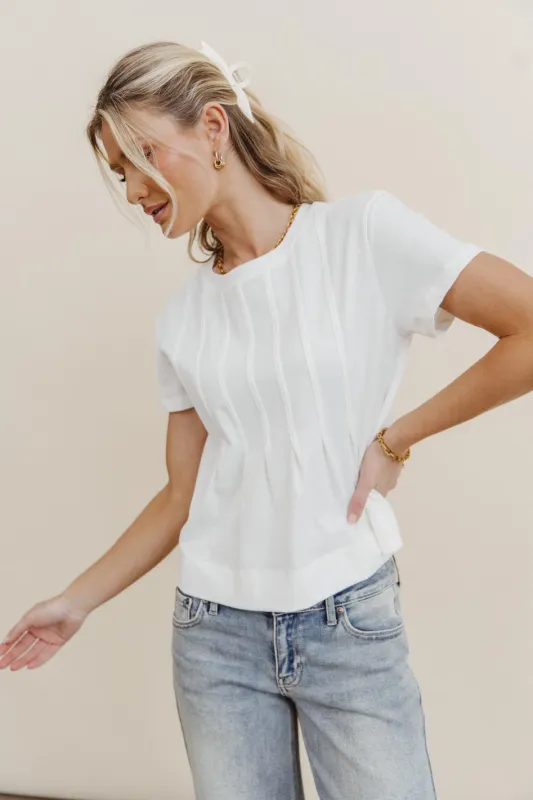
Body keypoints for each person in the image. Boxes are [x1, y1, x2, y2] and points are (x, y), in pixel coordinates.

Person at [2, 39, 533, 800]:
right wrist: (74, 602)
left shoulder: (361, 237)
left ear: (211, 128)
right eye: (117, 174)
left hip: (347, 618)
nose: (130, 189)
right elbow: (181, 496)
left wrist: (396, 437)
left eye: (138, 156)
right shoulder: (184, 320)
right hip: (214, 634)